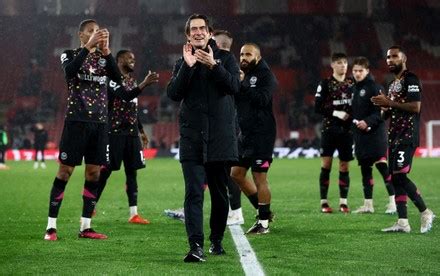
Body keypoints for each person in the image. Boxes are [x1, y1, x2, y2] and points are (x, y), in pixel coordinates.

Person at [44, 19, 147, 241]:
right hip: (76, 121)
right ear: (81, 35)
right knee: (65, 172)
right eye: (90, 31)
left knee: (94, 173)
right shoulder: (69, 54)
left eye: (97, 31)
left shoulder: (103, 60)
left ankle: (85, 227)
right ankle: (51, 227)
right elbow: (70, 72)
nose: (95, 34)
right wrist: (88, 46)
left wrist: (107, 50)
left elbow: (118, 78)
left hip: (100, 124)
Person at [167, 14, 240, 262]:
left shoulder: (227, 58)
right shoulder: (182, 62)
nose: (198, 32)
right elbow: (174, 94)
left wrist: (213, 65)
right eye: (193, 29)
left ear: (209, 33)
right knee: (194, 193)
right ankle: (195, 246)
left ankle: (216, 240)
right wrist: (187, 67)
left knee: (219, 196)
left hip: (220, 139)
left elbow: (234, 87)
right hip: (192, 139)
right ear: (188, 36)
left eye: (202, 28)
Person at [371, 45, 435, 233]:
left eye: (394, 56)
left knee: (399, 176)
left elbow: (415, 107)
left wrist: (389, 103)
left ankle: (425, 211)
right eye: (388, 57)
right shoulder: (392, 84)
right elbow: (388, 114)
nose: (390, 60)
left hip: (407, 135)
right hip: (394, 136)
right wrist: (382, 108)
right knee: (396, 178)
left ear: (404, 59)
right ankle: (402, 222)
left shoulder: (411, 79)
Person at [95, 49, 159, 224]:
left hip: (131, 134)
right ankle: (91, 205)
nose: (133, 61)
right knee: (106, 171)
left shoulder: (132, 80)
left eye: (134, 58)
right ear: (119, 60)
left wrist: (141, 131)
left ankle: (133, 214)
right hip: (114, 132)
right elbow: (125, 96)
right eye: (129, 58)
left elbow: (132, 107)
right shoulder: (111, 80)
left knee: (132, 172)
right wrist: (145, 83)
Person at [230, 43, 277, 234]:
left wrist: (242, 85)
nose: (243, 57)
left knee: (260, 178)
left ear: (257, 56)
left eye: (248, 54)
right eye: (241, 54)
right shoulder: (244, 75)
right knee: (236, 174)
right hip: (245, 134)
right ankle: (263, 210)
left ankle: (263, 224)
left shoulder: (266, 75)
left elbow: (262, 100)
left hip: (262, 135)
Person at [350, 57, 396, 214]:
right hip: (360, 136)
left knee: (383, 167)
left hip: (376, 135)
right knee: (365, 169)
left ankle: (393, 202)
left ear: (367, 71)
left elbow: (383, 112)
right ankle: (368, 205)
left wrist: (367, 122)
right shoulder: (354, 89)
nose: (357, 73)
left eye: (360, 71)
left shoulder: (375, 88)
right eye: (355, 71)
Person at [314, 52, 354, 213]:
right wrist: (335, 113)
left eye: (345, 62)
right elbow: (317, 107)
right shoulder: (325, 84)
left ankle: (343, 202)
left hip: (347, 131)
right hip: (329, 130)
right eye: (339, 62)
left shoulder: (352, 83)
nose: (343, 65)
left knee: (344, 166)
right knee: (326, 165)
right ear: (332, 65)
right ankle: (324, 202)